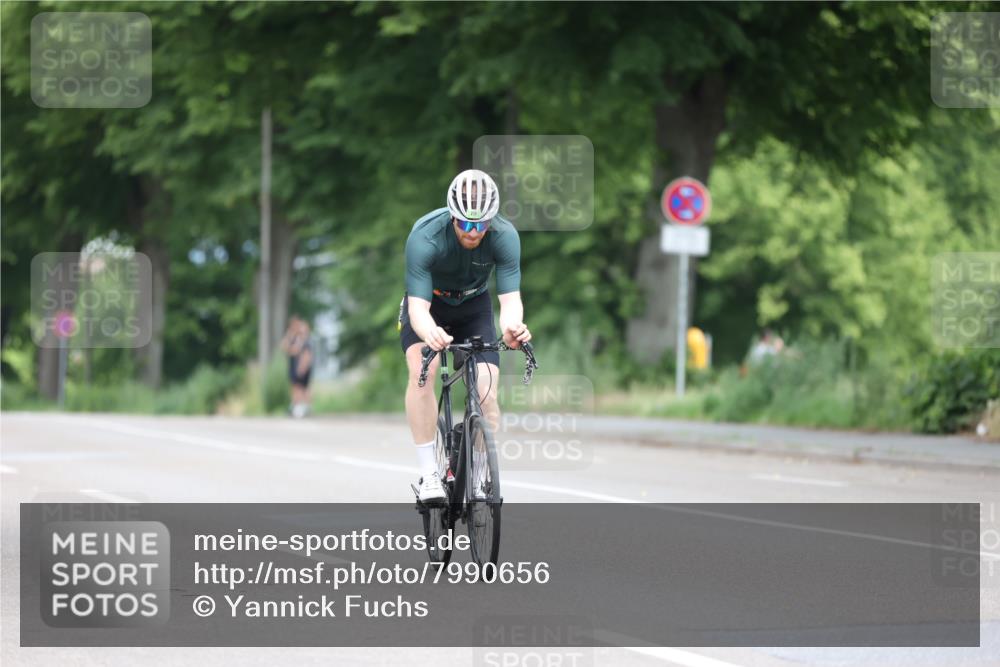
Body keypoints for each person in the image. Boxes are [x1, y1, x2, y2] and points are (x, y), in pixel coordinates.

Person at [399, 169, 531, 503]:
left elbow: (510, 301)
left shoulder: (504, 236)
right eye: (465, 224)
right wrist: (430, 332)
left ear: (491, 220)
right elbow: (417, 309)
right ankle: (430, 474)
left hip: (474, 307)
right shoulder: (425, 237)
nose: (473, 233)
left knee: (487, 392)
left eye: (481, 225)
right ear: (452, 216)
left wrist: (513, 327)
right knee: (423, 372)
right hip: (430, 306)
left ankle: (477, 478)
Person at [281, 316, 313, 418]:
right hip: (296, 366)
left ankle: (303, 408)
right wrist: (289, 334)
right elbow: (285, 346)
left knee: (300, 388)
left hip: (301, 367)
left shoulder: (304, 340)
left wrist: (302, 367)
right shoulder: (296, 338)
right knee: (298, 387)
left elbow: (304, 353)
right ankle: (298, 407)